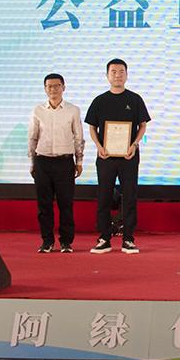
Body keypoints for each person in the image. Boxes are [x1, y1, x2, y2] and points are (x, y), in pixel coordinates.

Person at [85, 59, 150, 255]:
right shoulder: (99, 101)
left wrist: (134, 144)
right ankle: (104, 238)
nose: (117, 75)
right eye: (113, 72)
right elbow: (92, 127)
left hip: (129, 156)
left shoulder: (135, 99)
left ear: (127, 75)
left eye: (121, 71)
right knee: (104, 196)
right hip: (105, 156)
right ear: (107, 75)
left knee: (129, 196)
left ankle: (128, 239)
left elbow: (143, 125)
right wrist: (99, 146)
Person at [27, 73, 84, 253]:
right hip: (42, 161)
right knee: (44, 205)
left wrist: (79, 160)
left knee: (66, 204)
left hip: (64, 162)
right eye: (49, 86)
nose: (53, 89)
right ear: (45, 89)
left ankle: (66, 242)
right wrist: (32, 163)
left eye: (57, 85)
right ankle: (47, 241)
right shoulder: (37, 110)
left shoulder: (73, 110)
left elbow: (79, 137)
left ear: (63, 87)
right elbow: (32, 138)